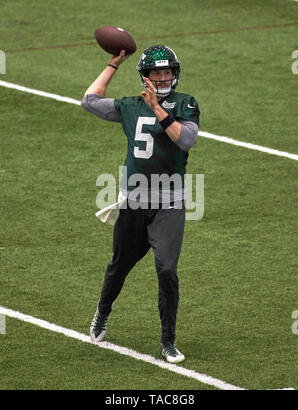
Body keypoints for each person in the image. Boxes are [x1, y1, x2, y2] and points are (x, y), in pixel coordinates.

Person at [81, 45, 200, 363]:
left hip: (169, 203)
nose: (162, 78)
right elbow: (89, 101)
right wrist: (112, 64)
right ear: (145, 76)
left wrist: (158, 109)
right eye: (155, 73)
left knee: (167, 270)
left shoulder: (185, 103)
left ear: (174, 73)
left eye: (166, 72)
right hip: (134, 201)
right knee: (119, 266)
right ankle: (102, 314)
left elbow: (185, 139)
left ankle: (168, 341)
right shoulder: (131, 106)